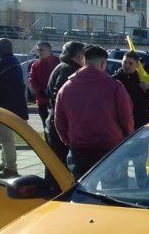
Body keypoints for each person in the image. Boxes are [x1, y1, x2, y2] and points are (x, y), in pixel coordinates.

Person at [54, 45, 133, 178]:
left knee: (81, 193)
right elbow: (126, 118)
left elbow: (59, 121)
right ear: (103, 63)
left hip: (79, 149)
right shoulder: (115, 87)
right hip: (110, 148)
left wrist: (69, 140)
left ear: (84, 61)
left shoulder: (66, 88)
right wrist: (127, 137)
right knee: (112, 193)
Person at [0, 38, 29, 178]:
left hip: (6, 108)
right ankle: (5, 163)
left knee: (5, 138)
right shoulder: (10, 62)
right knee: (2, 137)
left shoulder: (6, 63)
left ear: (2, 49)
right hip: (6, 106)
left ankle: (11, 168)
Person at [46, 41, 85, 165]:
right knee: (60, 166)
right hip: (61, 127)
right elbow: (62, 97)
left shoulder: (64, 67)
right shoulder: (68, 70)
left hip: (57, 123)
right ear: (79, 55)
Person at [113, 51, 149, 129]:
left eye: (130, 63)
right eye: (124, 62)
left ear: (137, 65)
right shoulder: (115, 80)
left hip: (140, 124)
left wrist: (148, 89)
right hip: (120, 124)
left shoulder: (143, 79)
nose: (126, 65)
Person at [28, 41, 60, 129]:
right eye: (38, 50)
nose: (39, 52)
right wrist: (40, 91)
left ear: (49, 50)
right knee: (45, 125)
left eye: (41, 50)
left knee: (57, 126)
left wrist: (52, 91)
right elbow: (32, 80)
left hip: (56, 100)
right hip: (42, 100)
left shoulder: (58, 63)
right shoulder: (35, 65)